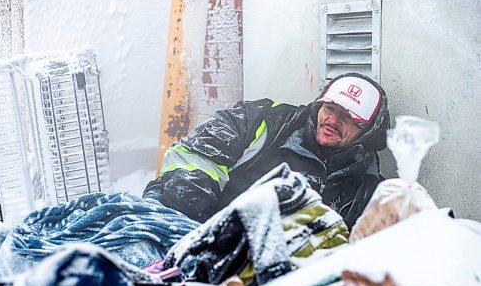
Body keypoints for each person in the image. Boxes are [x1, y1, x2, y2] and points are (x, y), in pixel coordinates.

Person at [144, 72, 390, 230]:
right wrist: (202, 233)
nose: (333, 120)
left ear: (367, 131)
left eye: (349, 117)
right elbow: (192, 158)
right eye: (330, 108)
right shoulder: (262, 120)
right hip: (191, 226)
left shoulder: (368, 190)